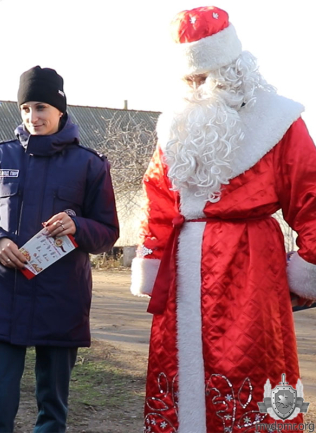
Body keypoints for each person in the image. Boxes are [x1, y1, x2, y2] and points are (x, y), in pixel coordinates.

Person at [130, 6, 316, 433]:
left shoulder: (279, 121)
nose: (197, 88)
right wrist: (153, 258)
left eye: (205, 76)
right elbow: (159, 199)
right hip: (182, 269)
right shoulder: (173, 125)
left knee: (253, 363)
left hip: (251, 266)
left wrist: (307, 266)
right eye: (189, 79)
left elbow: (311, 195)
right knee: (180, 367)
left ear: (232, 68)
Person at [0, 65, 119, 433]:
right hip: (0, 297)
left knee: (52, 410)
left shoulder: (90, 165)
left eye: (41, 107)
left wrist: (78, 226)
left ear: (60, 109)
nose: (33, 117)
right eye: (26, 108)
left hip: (60, 300)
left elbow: (108, 232)